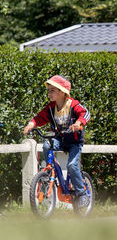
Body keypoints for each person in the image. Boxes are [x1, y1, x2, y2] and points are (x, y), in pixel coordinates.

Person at [23, 75, 91, 207]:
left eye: (52, 90)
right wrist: (31, 124)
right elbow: (39, 118)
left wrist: (79, 123)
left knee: (72, 165)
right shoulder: (51, 107)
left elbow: (85, 113)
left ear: (62, 91)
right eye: (48, 90)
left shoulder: (73, 105)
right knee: (48, 144)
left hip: (74, 142)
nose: (49, 93)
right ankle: (49, 169)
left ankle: (82, 193)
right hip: (60, 139)